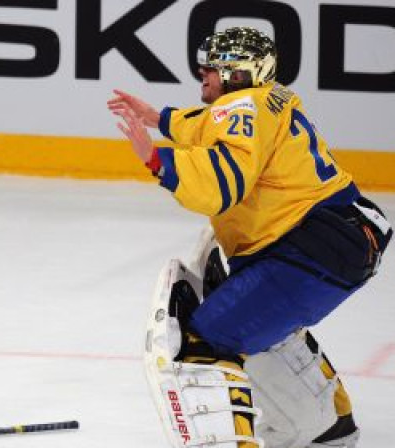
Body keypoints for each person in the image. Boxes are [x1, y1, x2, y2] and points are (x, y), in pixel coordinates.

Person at [109, 27, 391, 448]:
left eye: (213, 67)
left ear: (238, 74)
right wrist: (160, 118)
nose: (203, 71)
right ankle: (324, 428)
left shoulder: (241, 108)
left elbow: (222, 183)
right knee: (248, 317)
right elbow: (215, 125)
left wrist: (155, 158)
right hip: (339, 238)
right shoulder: (268, 99)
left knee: (205, 341)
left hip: (310, 248)